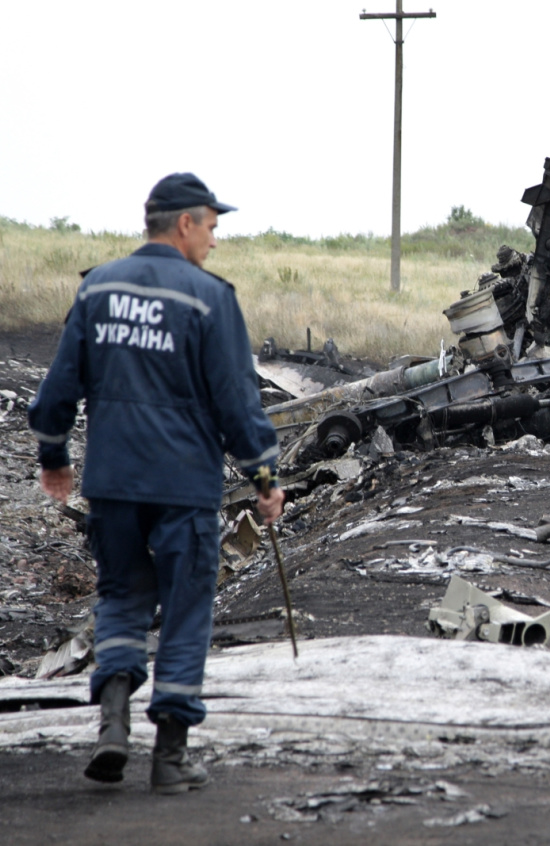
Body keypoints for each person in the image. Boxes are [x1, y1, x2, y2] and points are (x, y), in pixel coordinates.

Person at [28, 173, 285, 794]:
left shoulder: (98, 288)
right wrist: (265, 479)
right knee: (187, 607)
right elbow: (237, 401)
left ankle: (113, 725)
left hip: (113, 483)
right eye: (212, 228)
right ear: (185, 223)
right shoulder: (209, 298)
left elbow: (58, 388)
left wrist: (54, 456)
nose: (214, 242)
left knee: (121, 597)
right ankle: (170, 757)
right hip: (183, 487)